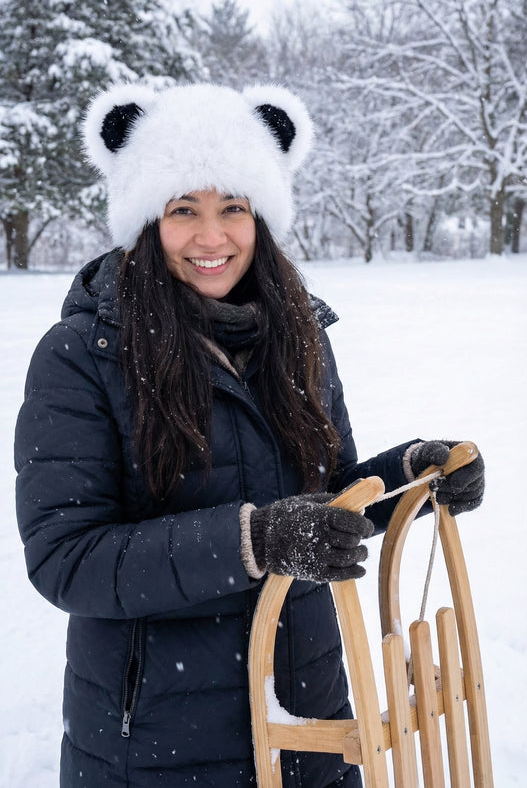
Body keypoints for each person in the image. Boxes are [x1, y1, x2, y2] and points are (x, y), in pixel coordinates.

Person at [14, 82, 485, 788]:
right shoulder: (82, 355)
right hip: (158, 751)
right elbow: (67, 558)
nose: (212, 237)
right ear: (145, 220)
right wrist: (254, 540)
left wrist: (412, 475)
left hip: (312, 724)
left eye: (233, 206)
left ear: (260, 215)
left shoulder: (297, 336)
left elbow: (330, 501)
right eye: (183, 209)